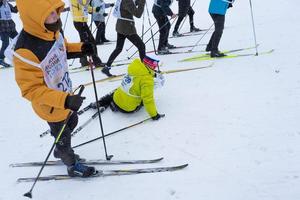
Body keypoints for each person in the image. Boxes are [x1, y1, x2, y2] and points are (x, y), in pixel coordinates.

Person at [13, 0, 98, 177]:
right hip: (50, 106)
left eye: (55, 11)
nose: (55, 15)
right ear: (35, 17)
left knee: (72, 122)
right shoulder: (25, 50)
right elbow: (31, 90)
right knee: (63, 138)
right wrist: (64, 100)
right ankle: (71, 163)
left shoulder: (52, 31)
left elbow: (62, 49)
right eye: (48, 13)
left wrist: (82, 48)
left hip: (65, 95)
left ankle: (61, 150)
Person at [93, 56, 165, 120]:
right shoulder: (147, 80)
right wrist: (154, 115)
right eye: (155, 65)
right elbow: (148, 99)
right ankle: (115, 105)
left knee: (123, 87)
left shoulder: (134, 67)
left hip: (116, 98)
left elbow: (143, 73)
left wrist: (153, 74)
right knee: (144, 95)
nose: (155, 67)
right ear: (151, 65)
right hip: (127, 109)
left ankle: (101, 102)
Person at [101, 0, 146, 77]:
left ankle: (106, 67)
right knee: (141, 46)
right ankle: (145, 69)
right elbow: (138, 14)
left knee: (118, 48)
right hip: (127, 27)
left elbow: (129, 6)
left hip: (121, 25)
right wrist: (142, 2)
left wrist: (138, 2)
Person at [70, 0, 104, 68]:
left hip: (82, 22)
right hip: (79, 22)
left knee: (84, 42)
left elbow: (85, 7)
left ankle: (83, 61)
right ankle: (96, 62)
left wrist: (94, 9)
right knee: (91, 42)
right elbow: (83, 3)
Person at [0, 0, 18, 68]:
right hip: (2, 27)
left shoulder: (7, 4)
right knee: (6, 42)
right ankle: (1, 58)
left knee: (18, 40)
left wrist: (20, 4)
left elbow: (15, 10)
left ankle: (18, 56)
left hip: (10, 26)